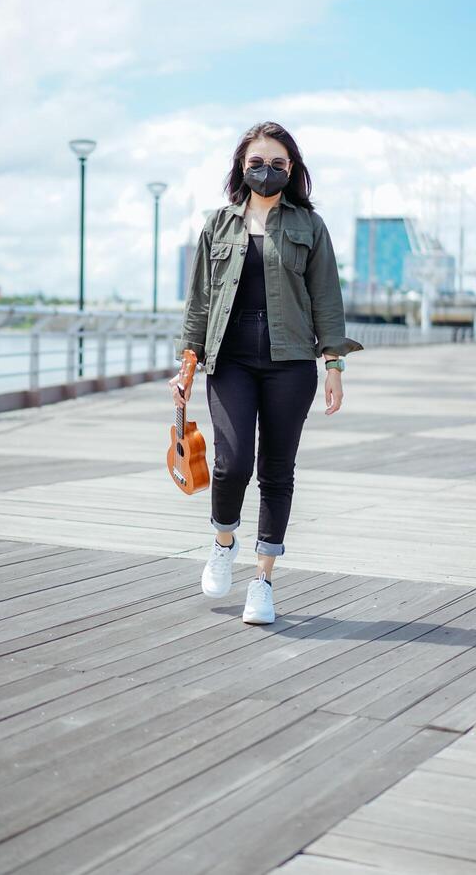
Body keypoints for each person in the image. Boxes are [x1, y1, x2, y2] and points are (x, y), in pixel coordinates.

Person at [169, 121, 363, 625]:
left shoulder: (309, 227)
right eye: (256, 162)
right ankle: (224, 540)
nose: (266, 170)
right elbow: (198, 303)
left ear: (291, 169)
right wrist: (187, 365)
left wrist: (334, 365)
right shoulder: (218, 224)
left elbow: (327, 300)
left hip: (291, 363)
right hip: (228, 361)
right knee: (232, 463)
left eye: (277, 163)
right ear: (241, 166)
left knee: (277, 471)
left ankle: (263, 580)